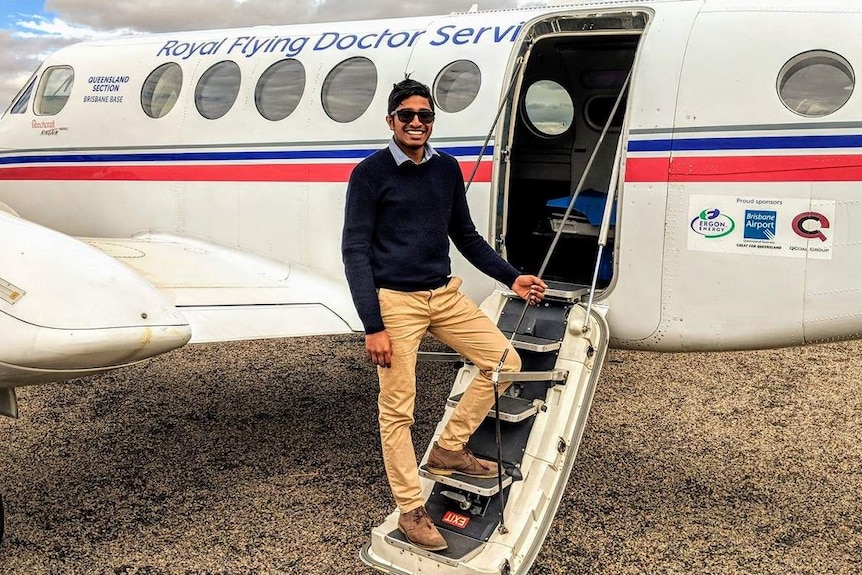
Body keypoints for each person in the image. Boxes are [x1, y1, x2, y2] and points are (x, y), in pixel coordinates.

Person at [342, 78, 546, 551]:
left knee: (504, 363)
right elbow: (355, 251)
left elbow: (466, 235)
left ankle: (449, 448)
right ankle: (412, 508)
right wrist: (373, 325)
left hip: (443, 294)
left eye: (425, 116)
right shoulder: (370, 174)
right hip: (396, 302)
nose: (417, 123)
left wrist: (510, 276)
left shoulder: (447, 169)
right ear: (390, 120)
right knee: (398, 409)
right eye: (407, 115)